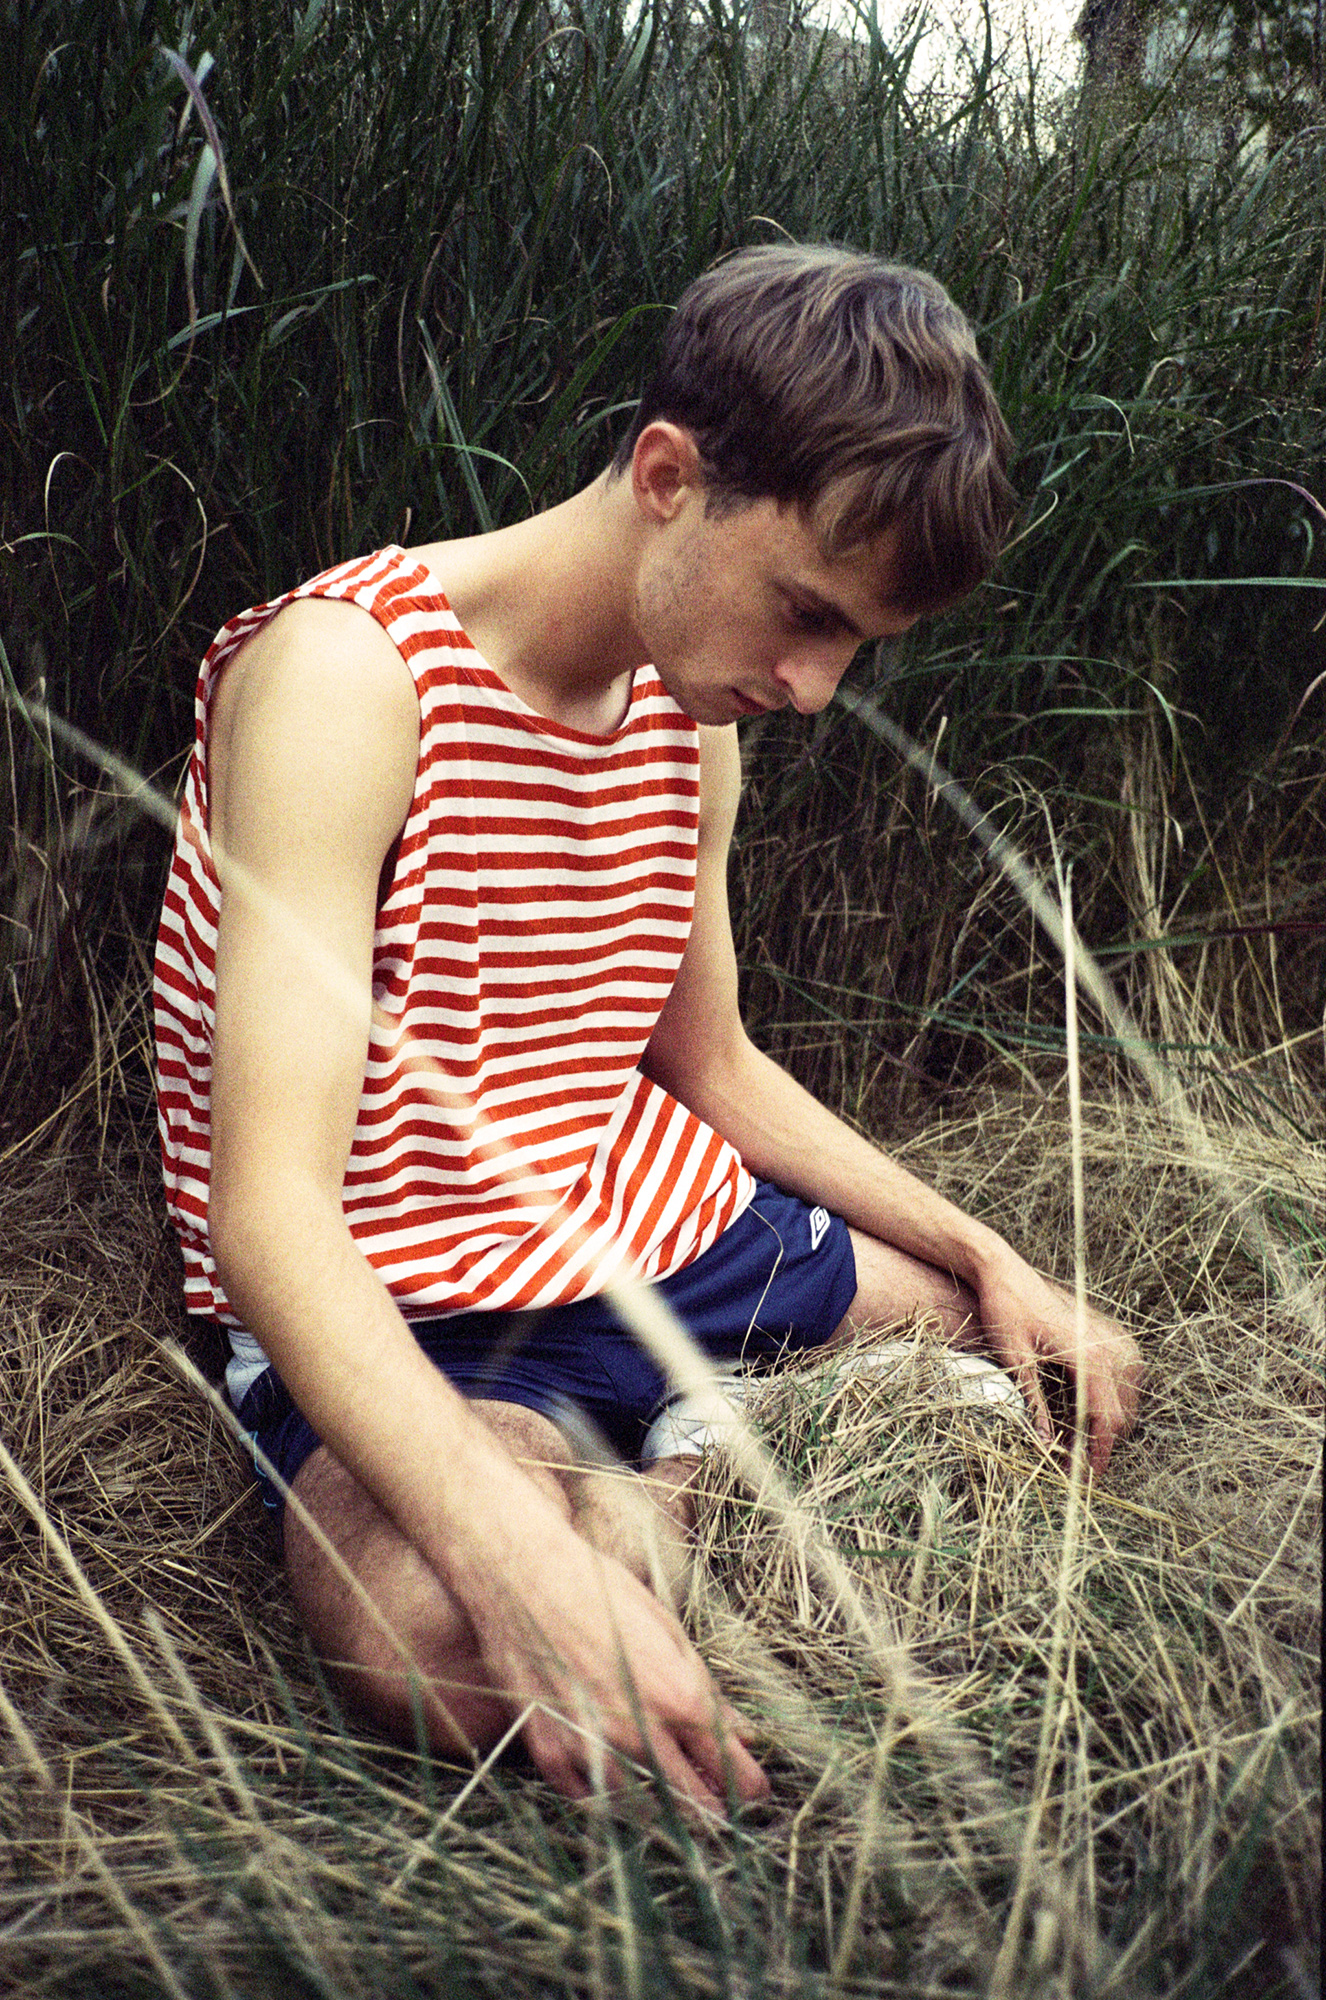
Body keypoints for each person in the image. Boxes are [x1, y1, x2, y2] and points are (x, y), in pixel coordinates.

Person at [154, 243, 1141, 1817]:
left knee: (1036, 1372)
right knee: (445, 1652)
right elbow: (271, 1217)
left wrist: (984, 1255)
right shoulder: (348, 678)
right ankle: (658, 1477)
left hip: (666, 1229)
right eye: (806, 615)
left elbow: (712, 1064)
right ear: (669, 475)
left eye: (854, 649)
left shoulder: (691, 717)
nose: (817, 689)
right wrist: (515, 1563)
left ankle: (674, 1454)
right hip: (417, 1296)